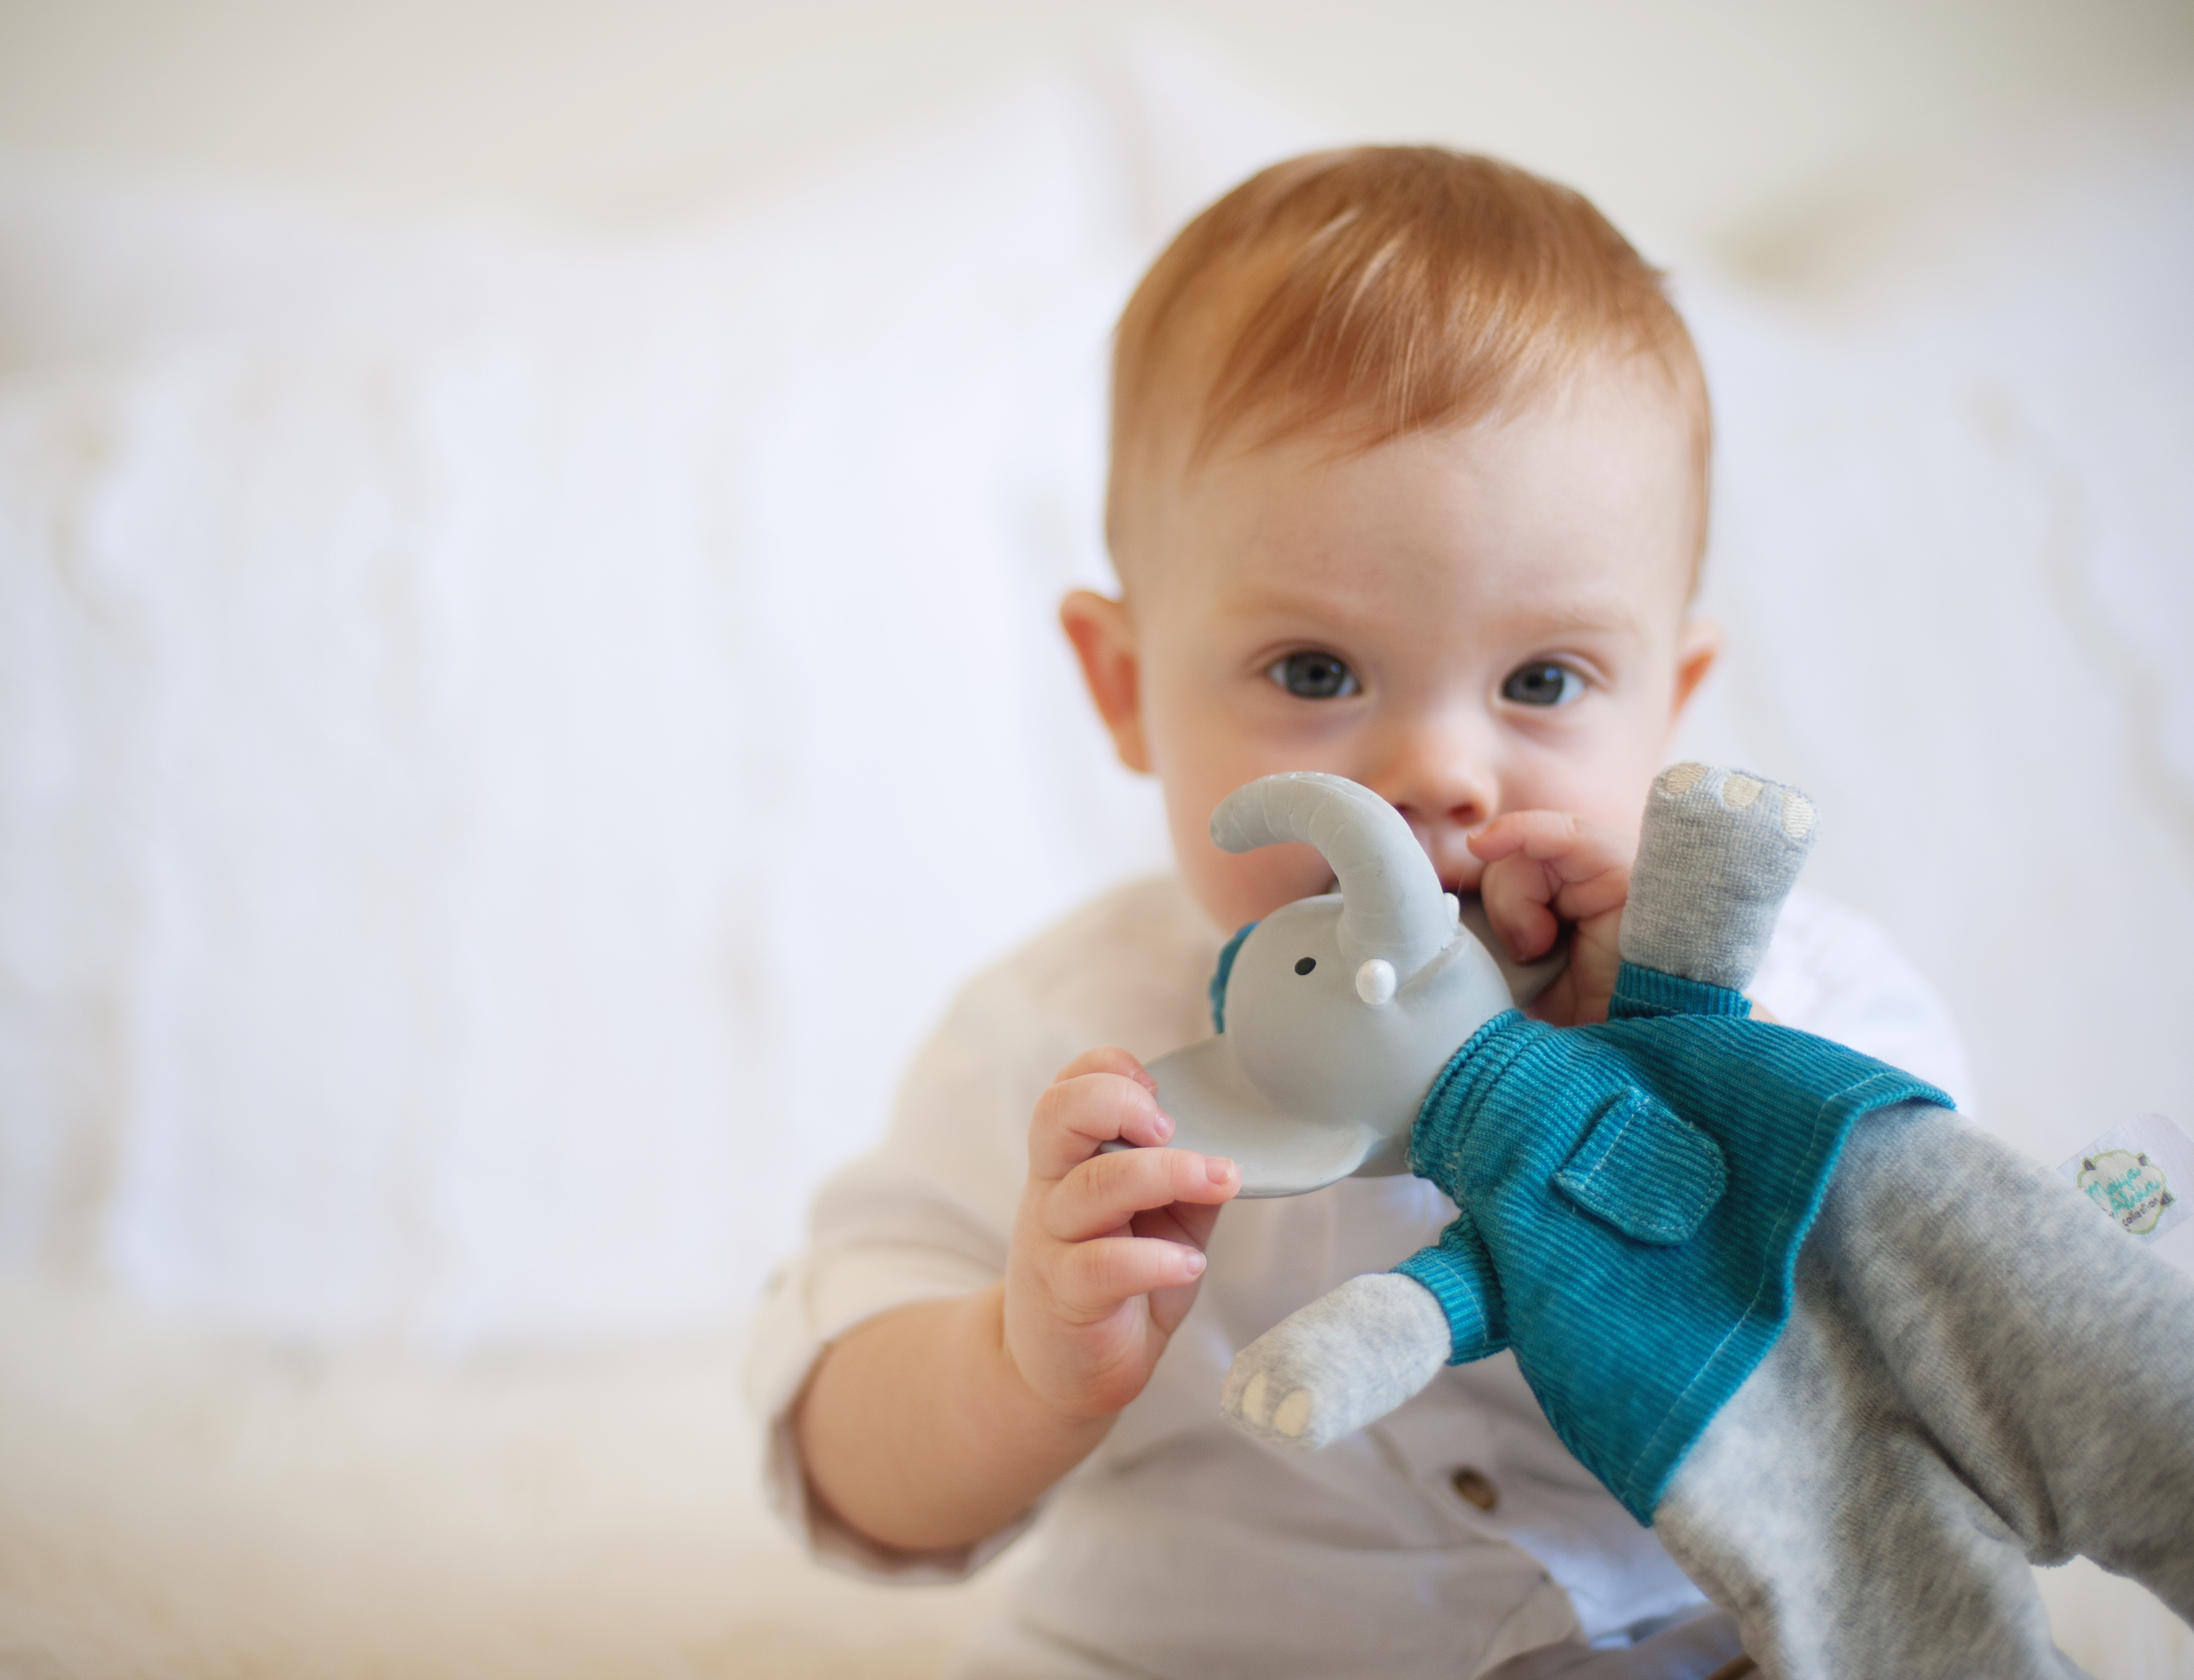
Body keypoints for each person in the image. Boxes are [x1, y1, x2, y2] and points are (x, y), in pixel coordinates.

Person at [746, 147, 1976, 1679]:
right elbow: (844, 1462)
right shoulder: (1063, 1047)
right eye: (1316, 673)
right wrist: (1019, 1362)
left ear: (1670, 701)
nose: (1438, 773)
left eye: (1543, 680)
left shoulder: (1815, 996)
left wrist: (1714, 1080)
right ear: (1126, 689)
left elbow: (1945, 1338)